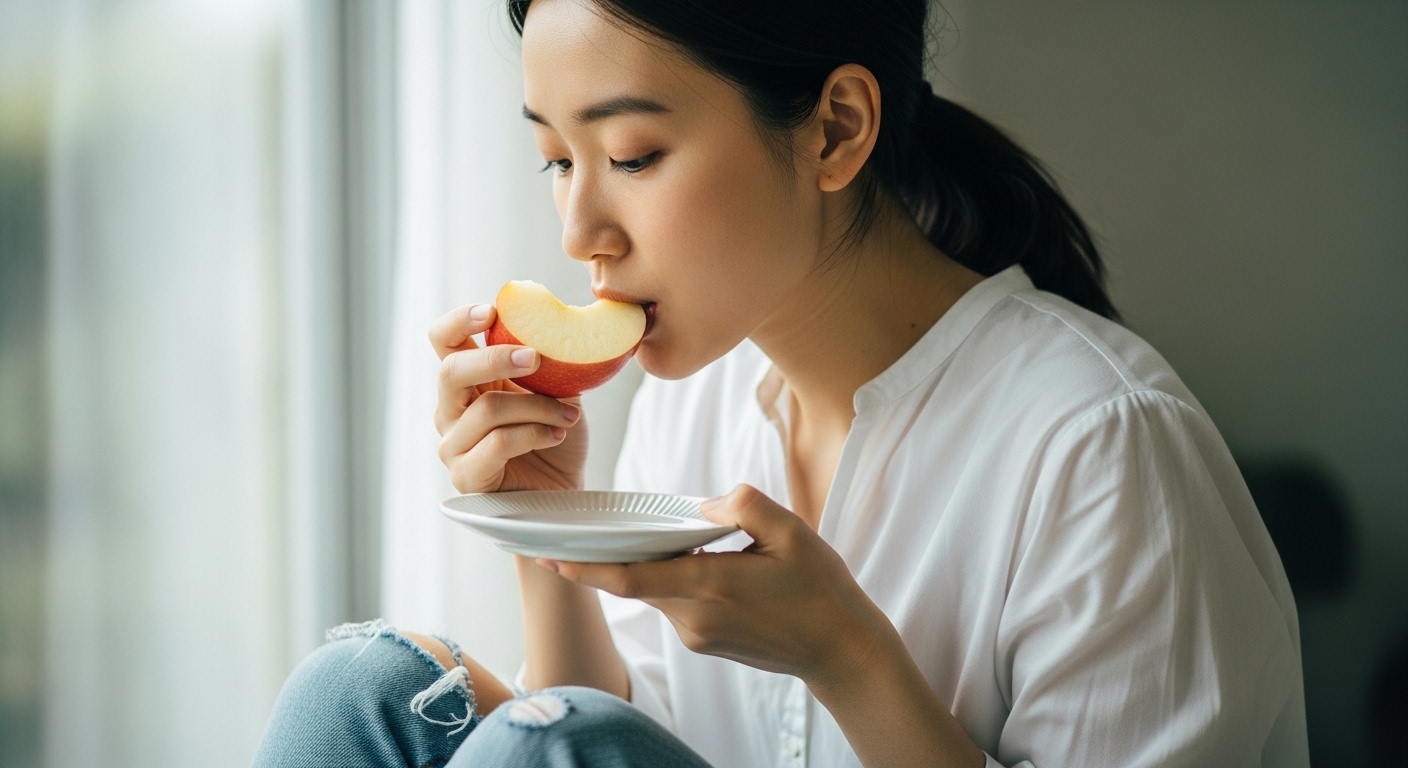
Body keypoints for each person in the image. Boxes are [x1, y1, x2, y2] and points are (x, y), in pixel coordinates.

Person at [253, 0, 1309, 765]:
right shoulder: (697, 395)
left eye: (630, 155)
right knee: (365, 689)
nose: (580, 233)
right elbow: (611, 740)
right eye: (556, 162)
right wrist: (547, 526)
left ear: (836, 129)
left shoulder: (1101, 444)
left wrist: (846, 656)